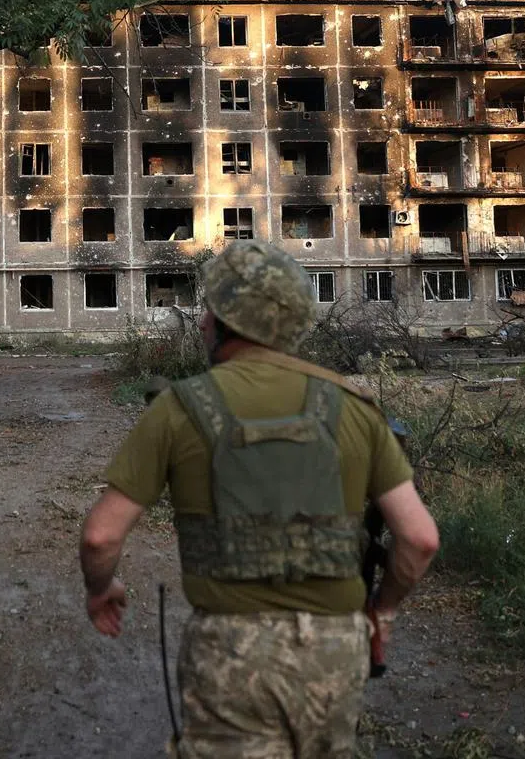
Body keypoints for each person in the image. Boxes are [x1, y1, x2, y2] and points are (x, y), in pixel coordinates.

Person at [79, 240, 439, 758]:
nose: (202, 322)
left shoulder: (179, 408)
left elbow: (100, 535)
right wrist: (382, 611)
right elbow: (420, 539)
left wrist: (100, 589)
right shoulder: (355, 407)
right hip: (336, 650)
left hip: (229, 652)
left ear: (225, 323)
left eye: (210, 311)